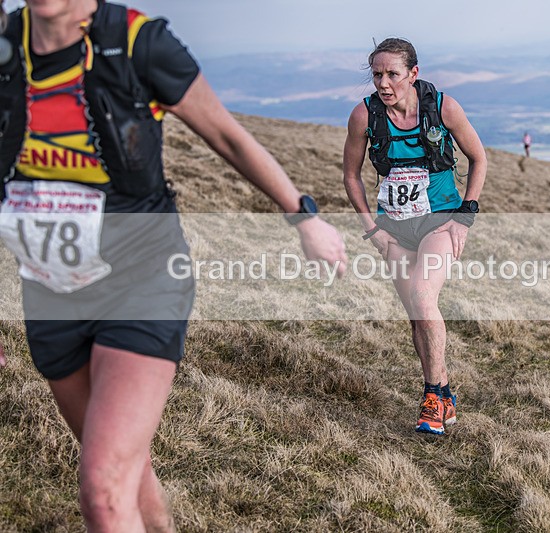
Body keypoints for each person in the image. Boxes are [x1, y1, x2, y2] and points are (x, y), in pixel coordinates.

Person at [0, 1, 346, 530]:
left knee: (101, 489)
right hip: (50, 296)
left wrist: (304, 217)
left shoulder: (140, 43)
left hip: (143, 282)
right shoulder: (7, 50)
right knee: (122, 471)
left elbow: (227, 134)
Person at [343, 38, 487, 435]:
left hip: (440, 222)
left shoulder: (443, 107)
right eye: (377, 75)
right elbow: (350, 176)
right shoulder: (364, 116)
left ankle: (432, 397)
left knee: (425, 299)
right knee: (416, 315)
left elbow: (479, 158)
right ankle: (444, 394)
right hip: (394, 228)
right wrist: (371, 227)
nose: (384, 83)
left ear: (413, 73)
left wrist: (465, 216)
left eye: (392, 74)